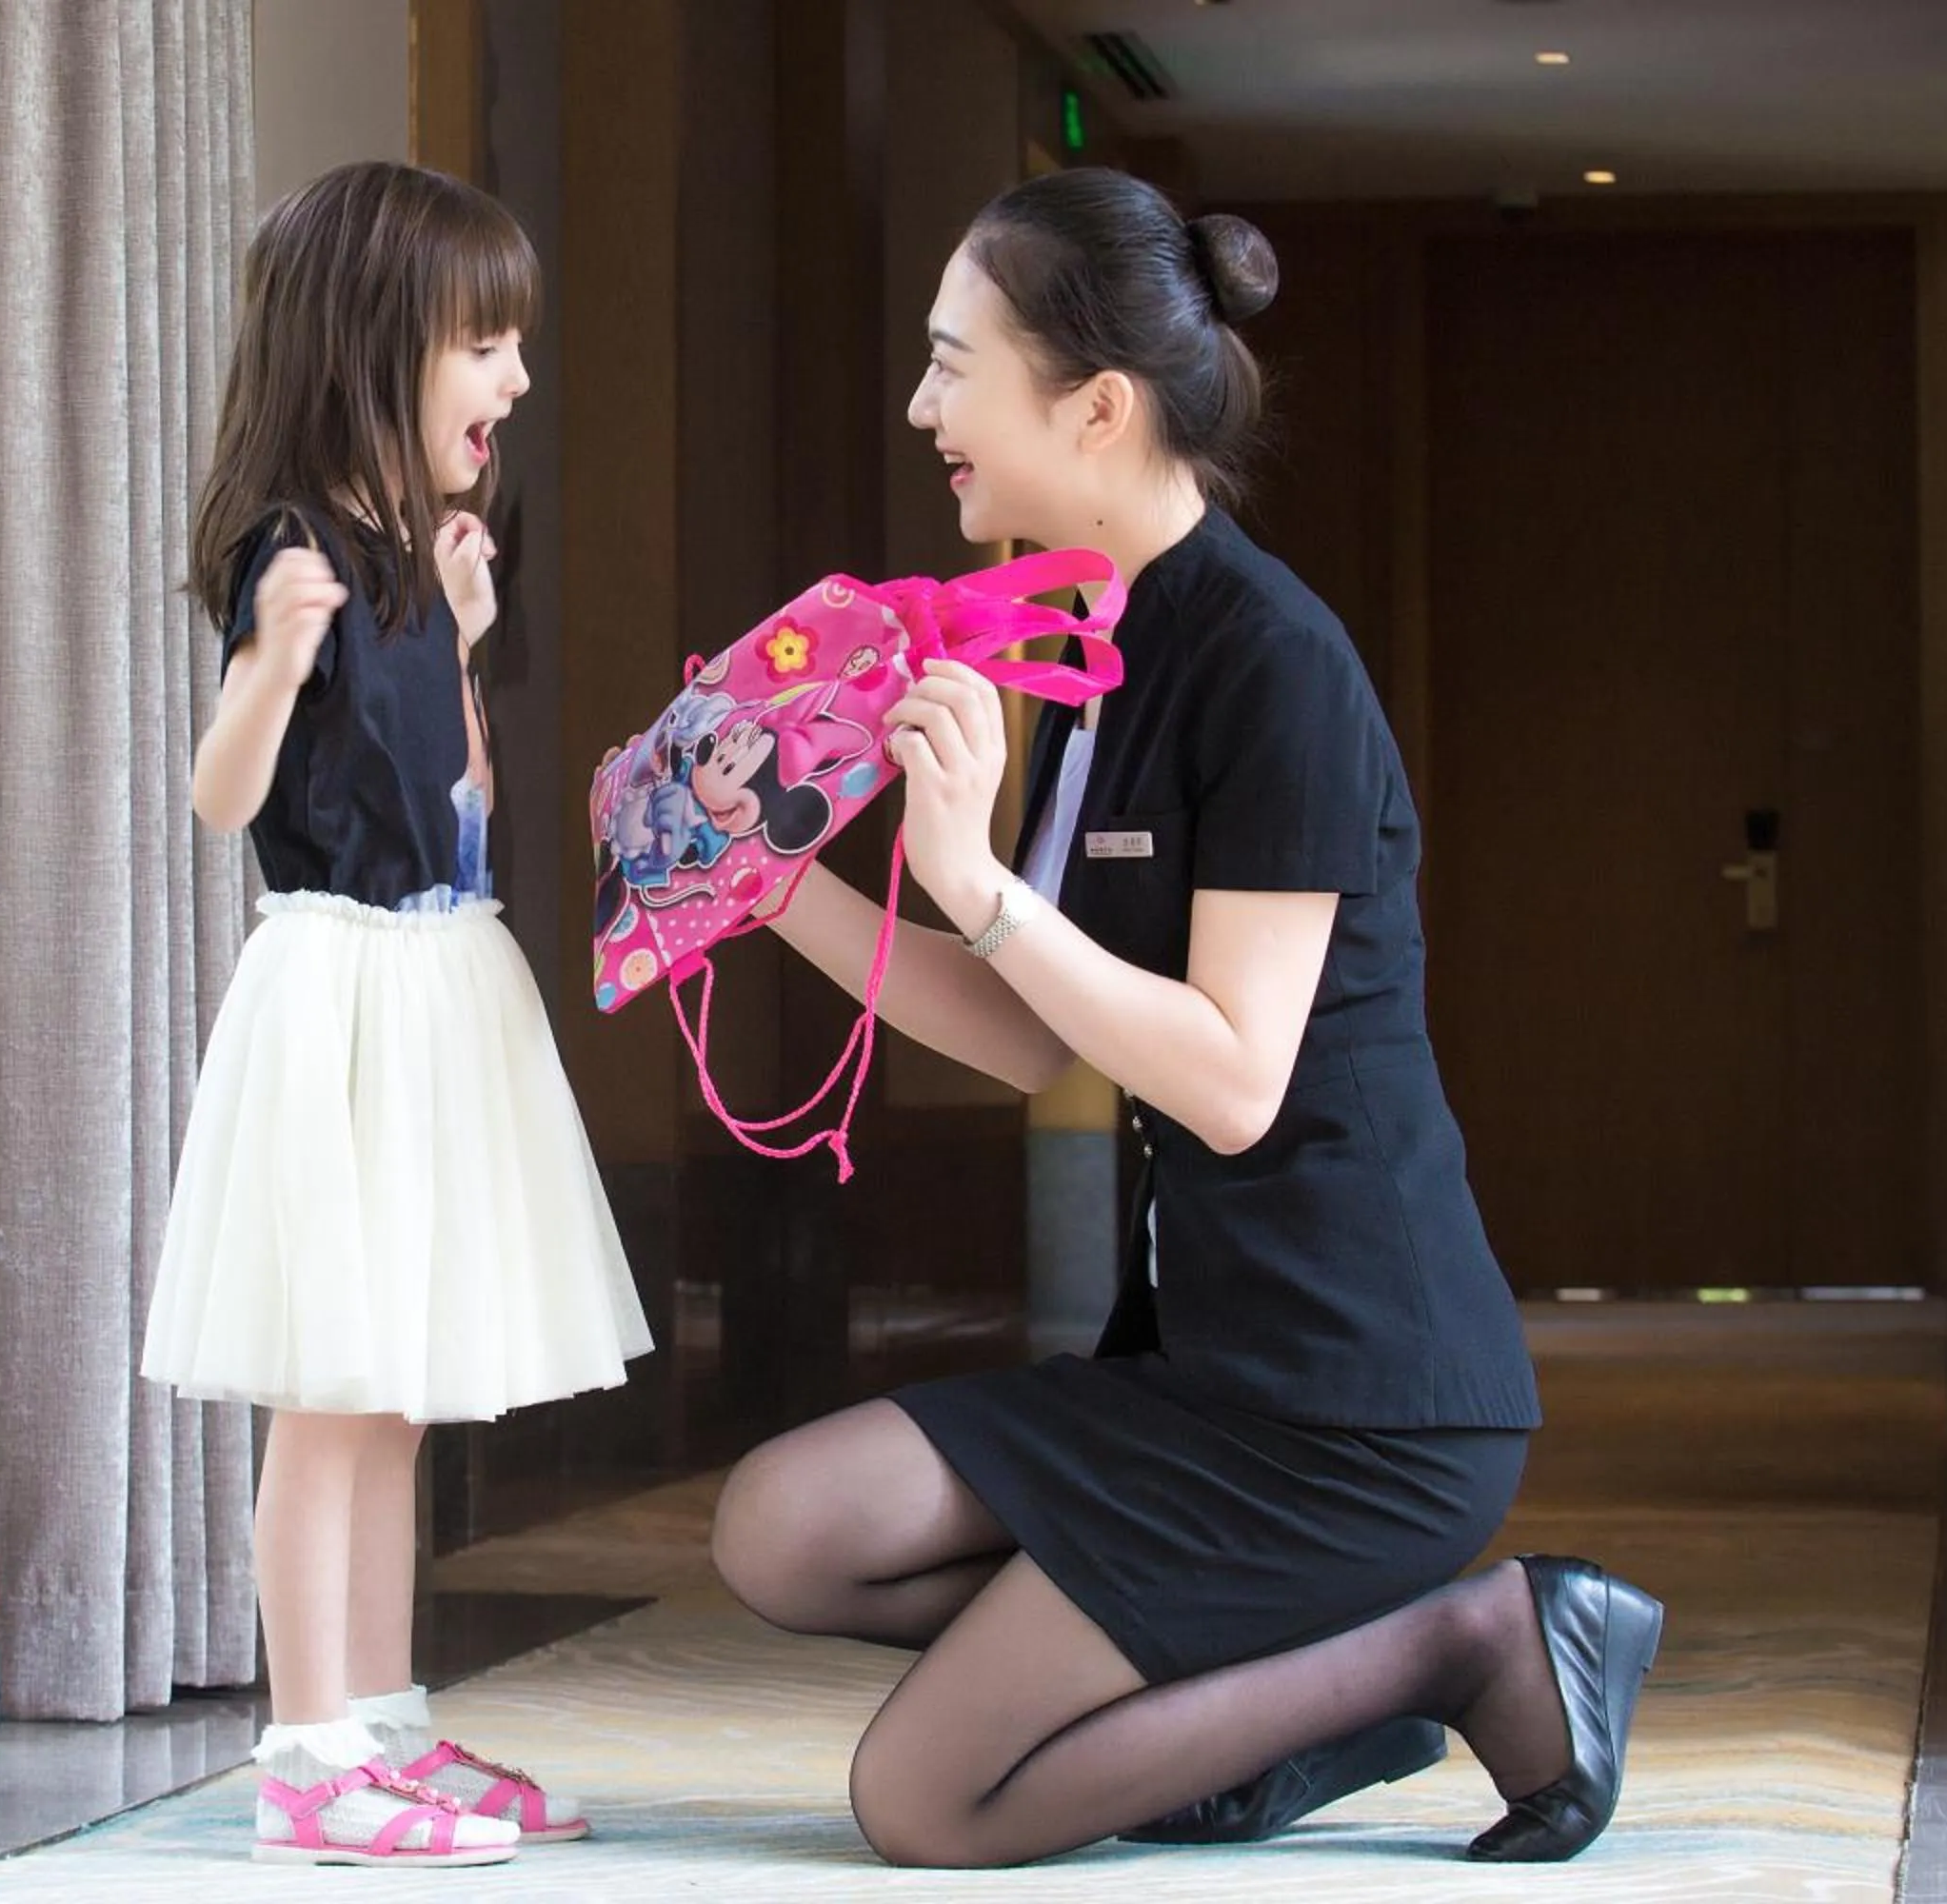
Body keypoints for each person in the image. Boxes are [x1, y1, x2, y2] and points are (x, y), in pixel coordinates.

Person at [707, 167, 1662, 1870]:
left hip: (1358, 1403)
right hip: (1203, 1366)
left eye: (951, 365)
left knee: (927, 1804)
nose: (923, 408)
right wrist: (767, 878)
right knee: (786, 1529)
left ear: (1093, 406)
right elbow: (1038, 1044)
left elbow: (1229, 1083)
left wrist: (978, 883)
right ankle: (1200, 1716)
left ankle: (1472, 1640)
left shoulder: (1272, 663)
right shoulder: (1090, 648)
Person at [139, 160, 652, 1871]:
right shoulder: (290, 556)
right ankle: (308, 1755)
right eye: (486, 341)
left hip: (438, 971)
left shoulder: (420, 559)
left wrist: (476, 639)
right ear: (375, 342)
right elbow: (223, 803)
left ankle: (384, 1726)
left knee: (403, 1386)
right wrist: (275, 665)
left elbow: (461, 797)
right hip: (342, 987)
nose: (514, 379)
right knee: (337, 1387)